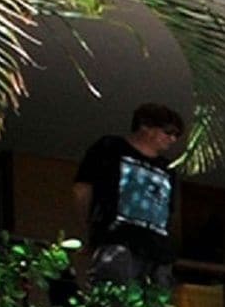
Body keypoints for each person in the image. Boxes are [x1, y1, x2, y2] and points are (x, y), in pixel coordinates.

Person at [73, 103, 185, 288]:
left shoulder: (168, 169)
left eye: (176, 135)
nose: (172, 139)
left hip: (158, 252)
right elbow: (82, 189)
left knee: (155, 303)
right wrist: (88, 230)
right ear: (145, 126)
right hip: (117, 241)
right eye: (168, 132)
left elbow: (170, 212)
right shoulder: (110, 147)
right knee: (113, 298)